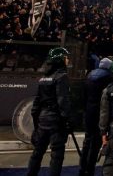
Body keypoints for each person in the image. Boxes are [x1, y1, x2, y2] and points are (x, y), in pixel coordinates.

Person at [27, 47, 72, 176]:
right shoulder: (61, 77)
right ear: (60, 60)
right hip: (55, 121)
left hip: (42, 119)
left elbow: (36, 104)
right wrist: (66, 120)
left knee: (37, 152)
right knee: (57, 154)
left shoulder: (43, 78)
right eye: (65, 57)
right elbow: (63, 101)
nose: (67, 59)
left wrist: (37, 124)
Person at [79, 58, 113, 176]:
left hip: (89, 112)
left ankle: (82, 167)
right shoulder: (108, 78)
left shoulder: (89, 76)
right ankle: (90, 168)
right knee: (96, 142)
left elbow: (83, 96)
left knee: (87, 140)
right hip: (100, 112)